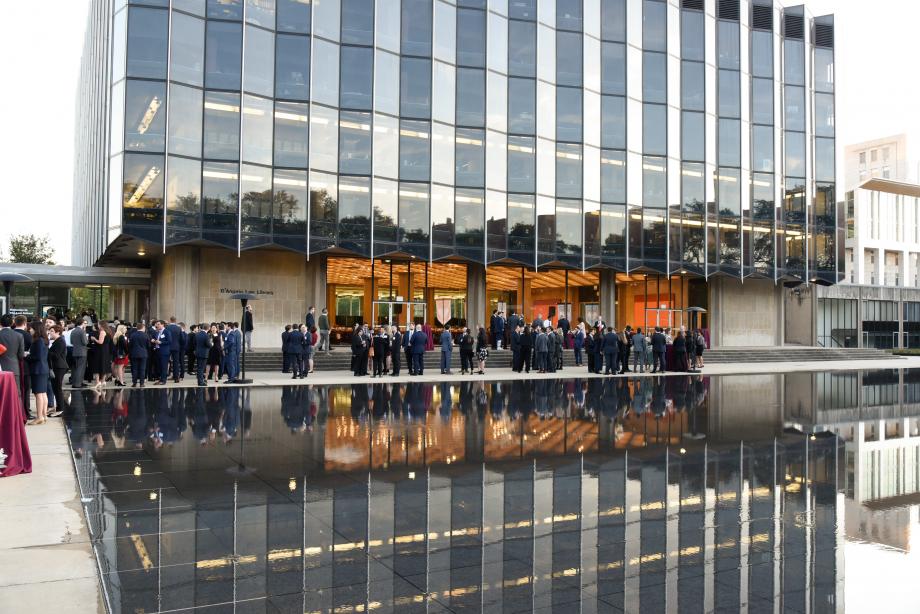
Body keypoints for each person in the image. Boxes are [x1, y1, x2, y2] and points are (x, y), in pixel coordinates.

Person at [26, 321, 49, 425]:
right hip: (43, 369)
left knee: (39, 394)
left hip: (37, 369)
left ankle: (40, 416)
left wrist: (26, 356)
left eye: (31, 328)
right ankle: (43, 416)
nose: (29, 330)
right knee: (43, 393)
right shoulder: (43, 340)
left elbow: (37, 357)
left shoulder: (38, 341)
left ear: (36, 329)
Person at [0, 315, 25, 397]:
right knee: (15, 393)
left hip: (0, 367)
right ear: (12, 323)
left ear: (0, 323)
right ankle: (15, 409)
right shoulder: (19, 336)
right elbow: (21, 355)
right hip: (13, 367)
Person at [48, 325, 68, 416]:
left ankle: (60, 409)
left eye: (52, 331)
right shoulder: (57, 341)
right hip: (58, 366)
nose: (50, 332)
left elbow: (56, 355)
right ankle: (58, 408)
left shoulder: (60, 341)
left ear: (57, 332)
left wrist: (47, 351)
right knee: (55, 388)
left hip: (59, 367)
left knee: (57, 388)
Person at [89, 321, 113, 388]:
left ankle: (97, 382)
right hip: (106, 351)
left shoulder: (102, 332)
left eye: (99, 324)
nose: (98, 326)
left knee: (97, 366)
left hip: (100, 351)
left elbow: (100, 342)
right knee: (104, 365)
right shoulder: (108, 332)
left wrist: (94, 339)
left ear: (101, 325)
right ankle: (103, 381)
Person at [127, 322, 149, 387]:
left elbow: (130, 345)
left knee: (135, 369)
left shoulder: (133, 335)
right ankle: (142, 383)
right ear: (143, 328)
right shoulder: (146, 335)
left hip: (134, 353)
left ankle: (134, 383)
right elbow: (148, 345)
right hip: (143, 354)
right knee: (142, 369)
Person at [166, 317, 183, 382]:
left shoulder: (167, 327)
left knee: (166, 362)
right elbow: (182, 338)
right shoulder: (178, 328)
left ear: (170, 320)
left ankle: (164, 377)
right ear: (175, 321)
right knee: (176, 363)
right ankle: (176, 378)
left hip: (168, 347)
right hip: (176, 347)